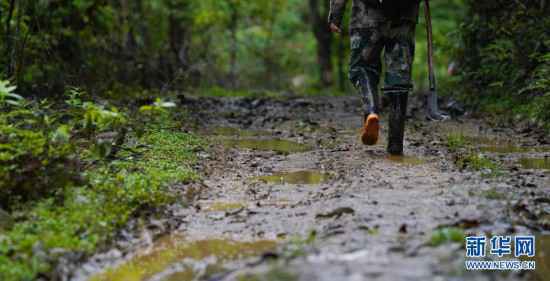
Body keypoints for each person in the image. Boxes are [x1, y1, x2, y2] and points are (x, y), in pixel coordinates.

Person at [328, 0, 420, 155]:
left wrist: (335, 15)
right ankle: (395, 143)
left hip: (367, 15)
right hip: (404, 16)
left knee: (362, 68)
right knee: (399, 78)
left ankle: (371, 111)